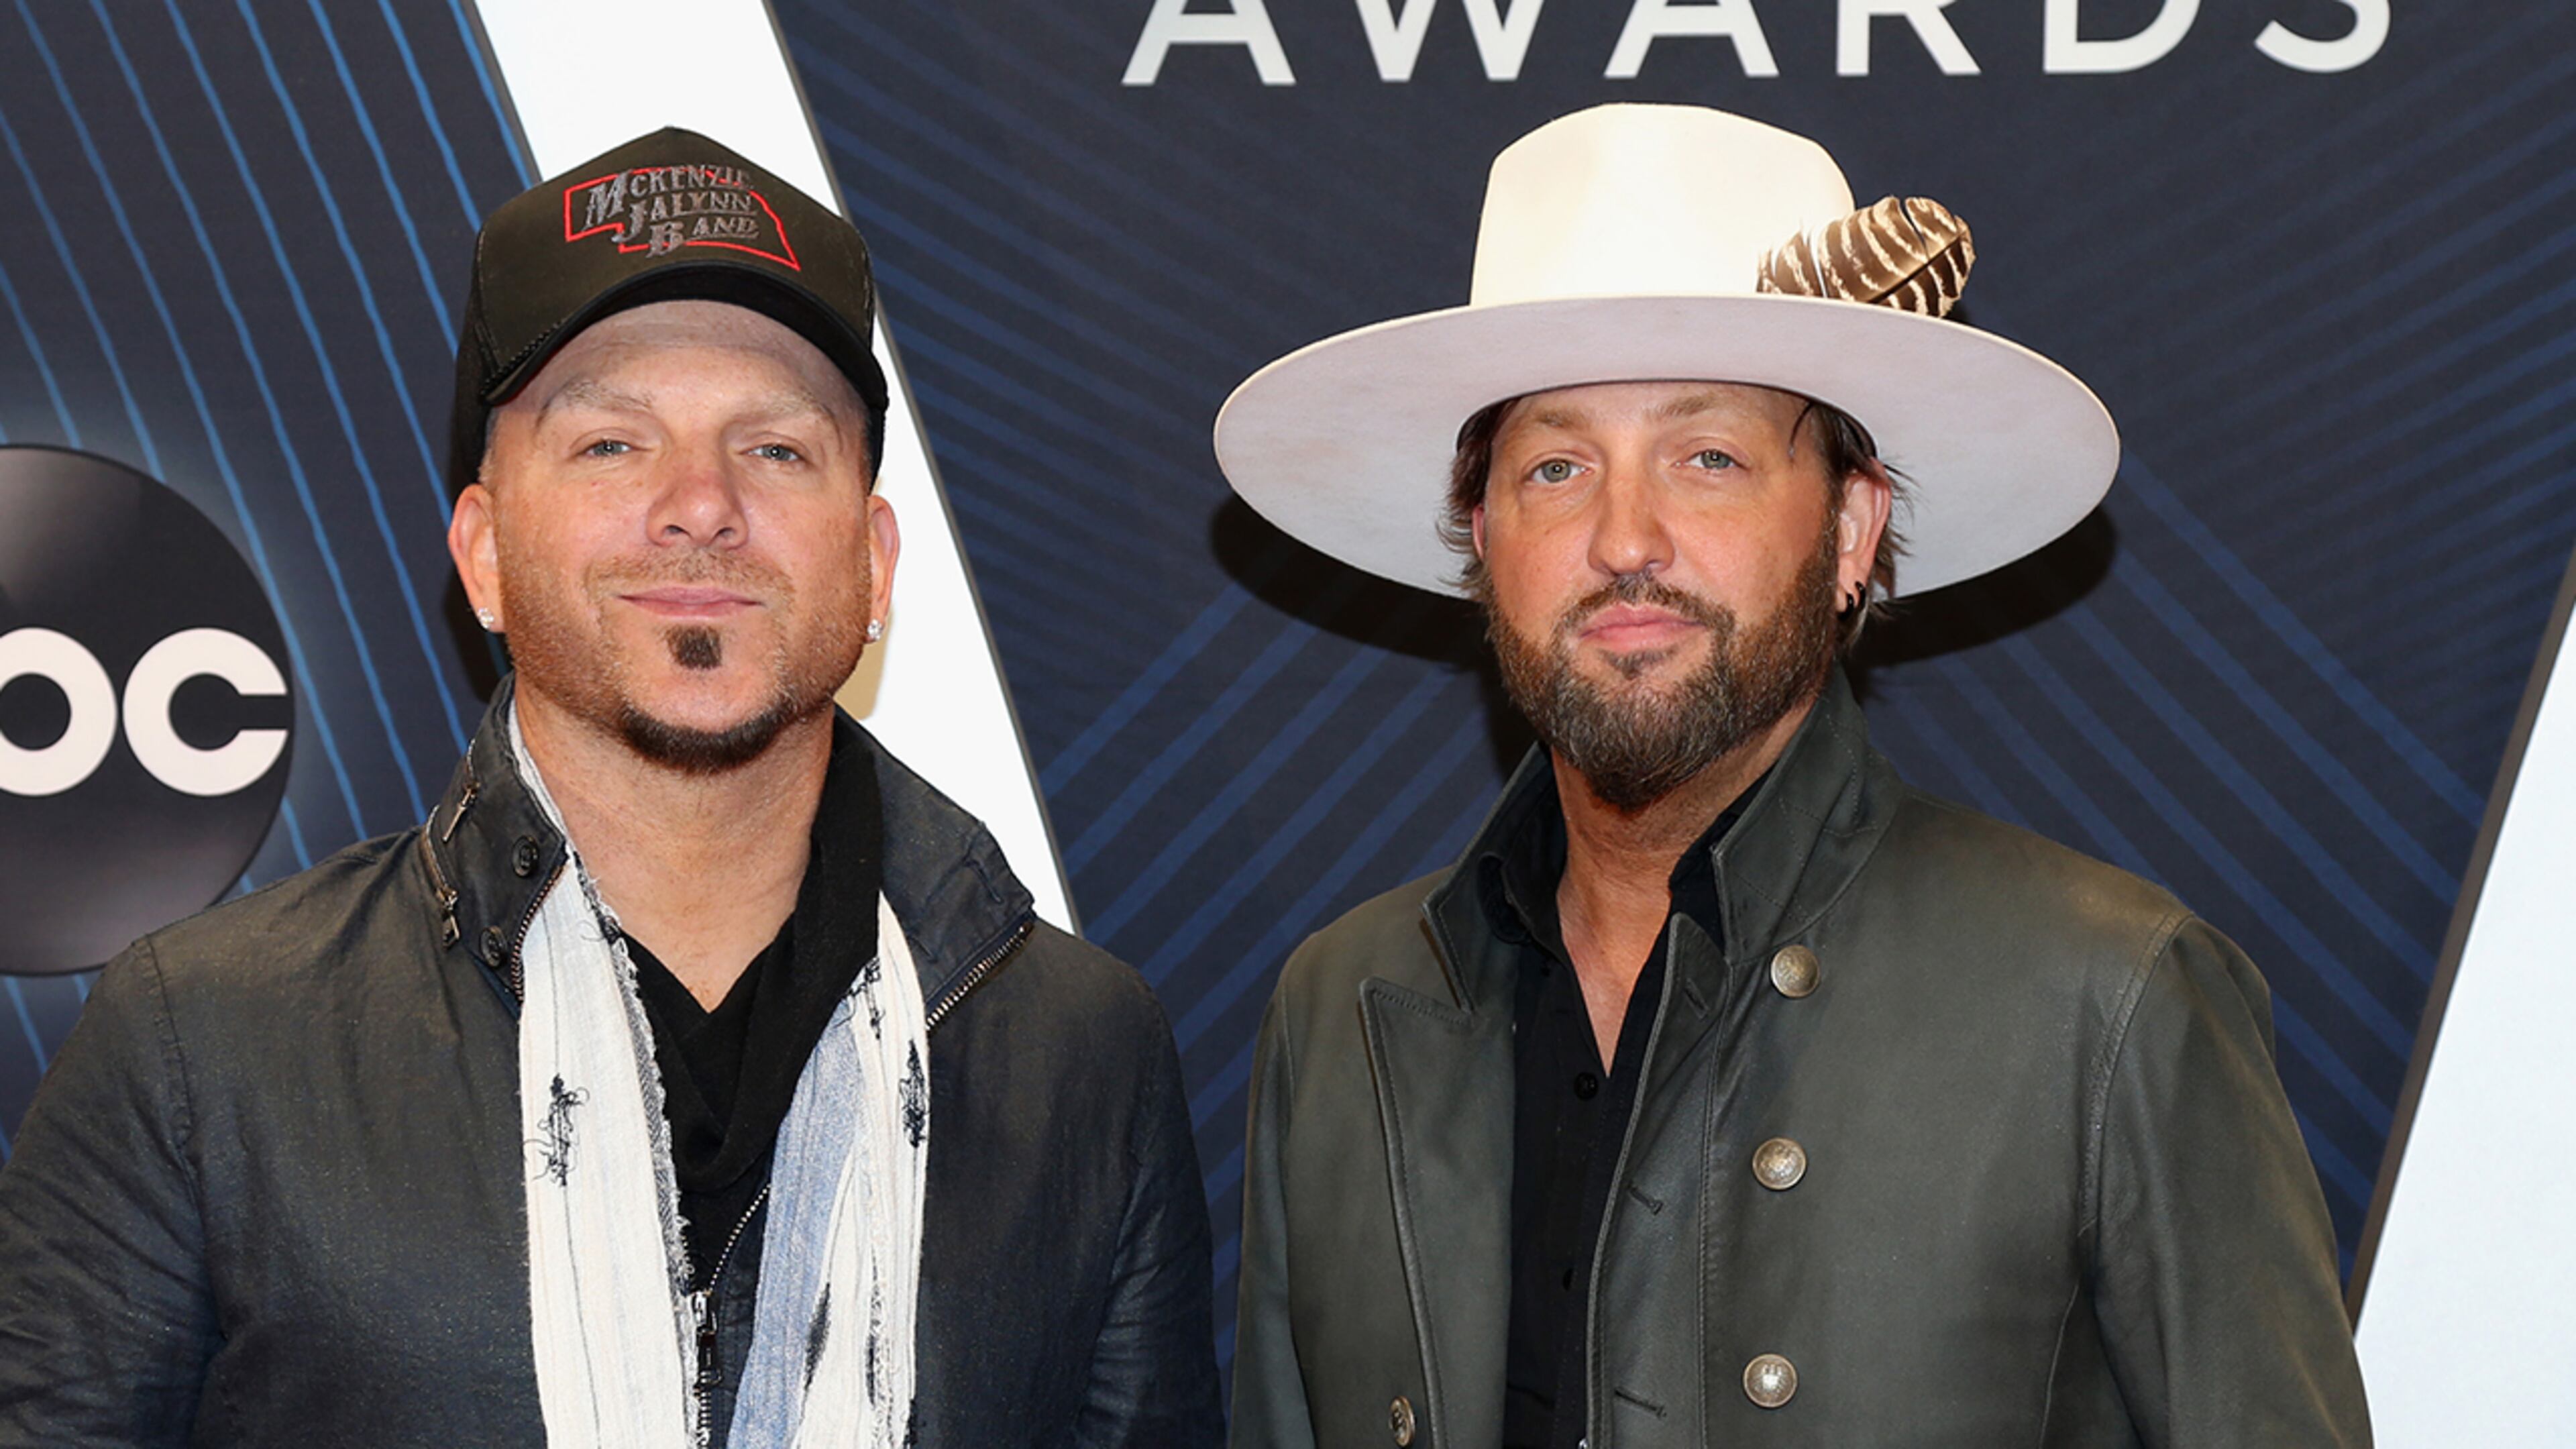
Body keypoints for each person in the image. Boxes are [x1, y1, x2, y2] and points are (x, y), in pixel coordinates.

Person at [0, 129, 1221, 1448]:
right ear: (481, 554)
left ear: (873, 565)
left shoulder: (1079, 1050)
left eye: (776, 450)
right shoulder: (204, 1044)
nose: (699, 505)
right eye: (608, 446)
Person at [1217, 104, 2369, 1447]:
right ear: (1484, 537)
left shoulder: (2110, 1000)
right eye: (1556, 465)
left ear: (1851, 528)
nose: (1625, 540)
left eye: (1708, 459)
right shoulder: (1344, 1006)